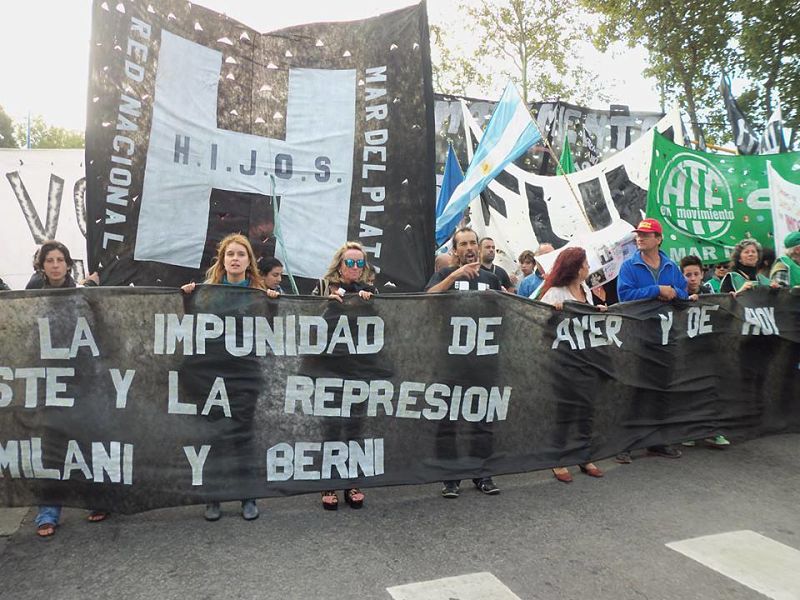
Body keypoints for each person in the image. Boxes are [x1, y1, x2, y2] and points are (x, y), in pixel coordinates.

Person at [182, 233, 266, 521]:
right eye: (230, 254)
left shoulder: (259, 293)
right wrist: (185, 298)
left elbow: (274, 327)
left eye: (241, 254)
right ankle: (213, 497)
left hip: (244, 376)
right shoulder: (206, 292)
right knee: (214, 436)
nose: (235, 258)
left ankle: (248, 497)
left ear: (248, 261)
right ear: (222, 260)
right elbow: (189, 325)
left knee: (243, 437)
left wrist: (276, 304)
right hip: (212, 375)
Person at [26, 240, 105, 537]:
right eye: (50, 260)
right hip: (48, 375)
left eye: (60, 260)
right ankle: (48, 511)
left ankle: (97, 499)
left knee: (87, 439)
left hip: (82, 375)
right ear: (42, 265)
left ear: (68, 264)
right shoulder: (31, 295)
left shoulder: (83, 294)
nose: (56, 265)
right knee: (52, 444)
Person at [426, 227, 501, 498]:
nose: (469, 248)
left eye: (473, 243)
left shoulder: (492, 278)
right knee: (448, 420)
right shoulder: (445, 274)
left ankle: (482, 474)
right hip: (451, 360)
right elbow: (427, 298)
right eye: (463, 244)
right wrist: (455, 276)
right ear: (455, 250)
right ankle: (450, 477)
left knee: (482, 419)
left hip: (483, 360)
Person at [616, 218, 687, 462]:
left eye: (645, 235)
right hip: (638, 336)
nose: (640, 238)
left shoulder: (670, 266)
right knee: (636, 390)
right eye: (638, 234)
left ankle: (656, 442)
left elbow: (683, 294)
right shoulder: (629, 266)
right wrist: (657, 291)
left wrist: (674, 292)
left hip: (666, 336)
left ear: (658, 239)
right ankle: (624, 444)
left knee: (662, 390)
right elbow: (624, 296)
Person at [316, 242, 377, 510]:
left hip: (358, 369)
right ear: (340, 264)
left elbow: (382, 325)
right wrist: (326, 304)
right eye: (349, 262)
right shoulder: (322, 286)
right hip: (329, 368)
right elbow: (304, 316)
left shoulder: (370, 290)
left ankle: (352, 482)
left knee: (354, 426)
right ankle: (328, 484)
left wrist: (370, 305)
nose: (354, 267)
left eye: (359, 263)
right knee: (331, 426)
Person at [539, 247, 606, 482]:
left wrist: (598, 310)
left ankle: (584, 455)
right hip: (564, 362)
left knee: (586, 409)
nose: (589, 267)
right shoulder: (555, 293)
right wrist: (554, 314)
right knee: (565, 410)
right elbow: (540, 323)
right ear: (577, 268)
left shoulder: (584, 289)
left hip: (586, 359)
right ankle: (558, 459)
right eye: (586, 263)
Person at [679, 255, 730, 449]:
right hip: (685, 348)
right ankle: (691, 430)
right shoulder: (677, 292)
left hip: (708, 347)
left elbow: (722, 307)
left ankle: (714, 431)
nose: (692, 278)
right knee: (689, 391)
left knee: (711, 389)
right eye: (688, 275)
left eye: (696, 274)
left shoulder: (709, 290)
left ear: (702, 275)